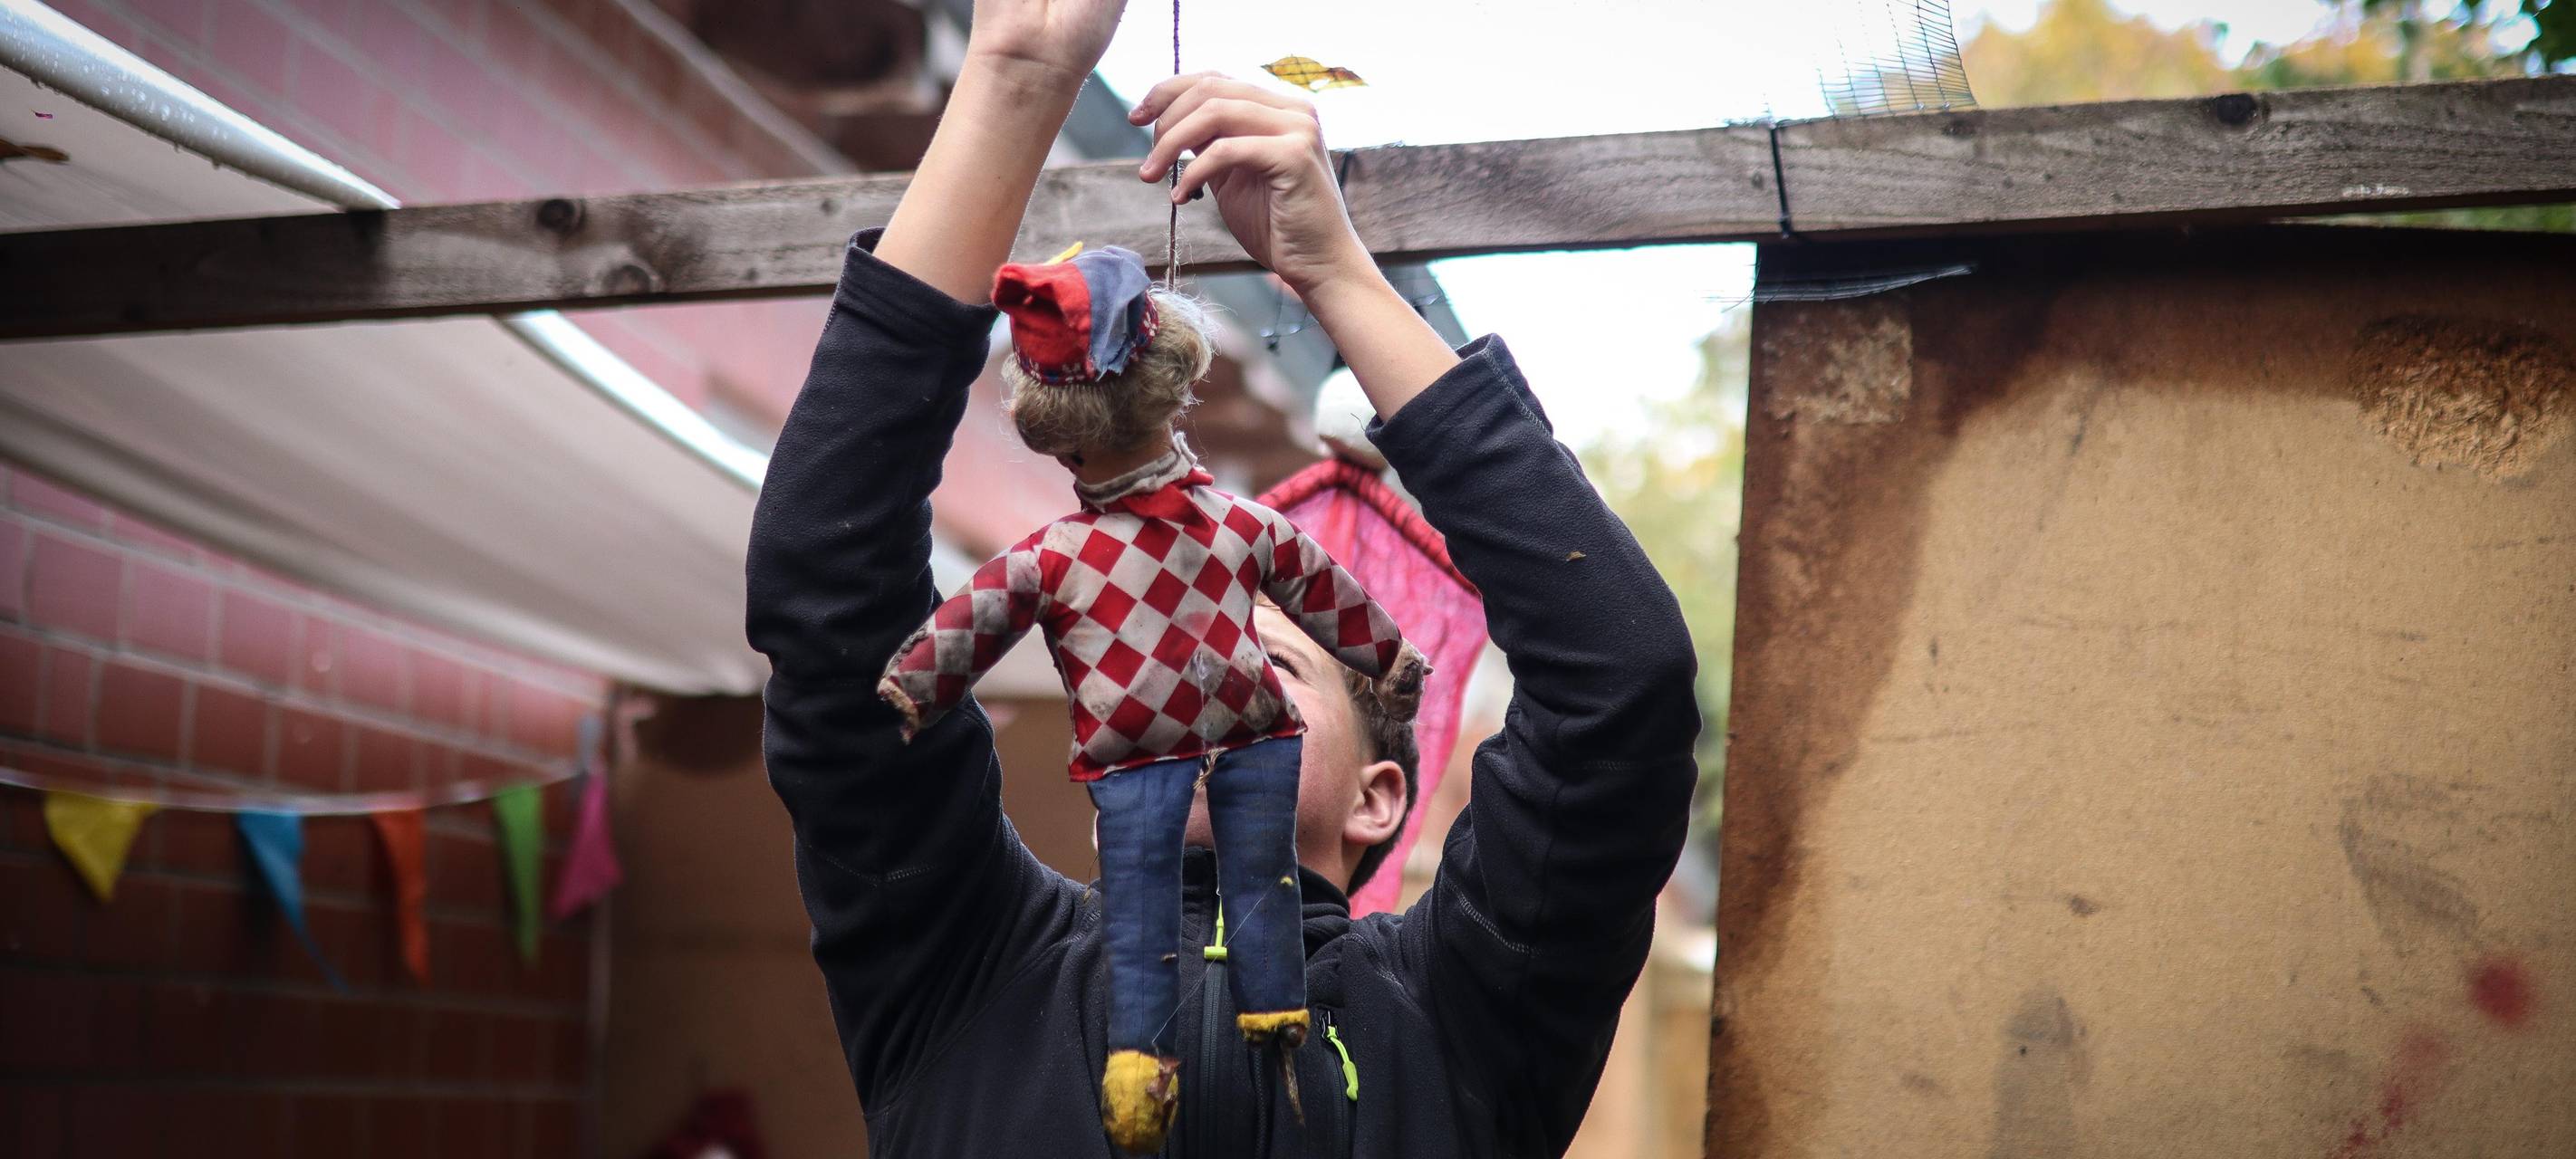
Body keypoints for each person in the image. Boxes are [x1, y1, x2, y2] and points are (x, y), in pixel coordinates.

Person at [744, 0, 1702, 1153]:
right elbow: (825, 590)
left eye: (1267, 653)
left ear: (1378, 800)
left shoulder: (1468, 1015)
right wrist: (1014, 73)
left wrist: (1335, 273)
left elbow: (1622, 684)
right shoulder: (963, 964)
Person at [873, 237, 1431, 1150]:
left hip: (1234, 744)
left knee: (1255, 872)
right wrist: (912, 684)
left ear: (1378, 795)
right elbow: (974, 614)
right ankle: (1149, 1055)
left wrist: (1391, 661)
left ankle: (1274, 1003)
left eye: (1278, 653)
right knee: (1141, 907)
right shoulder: (1077, 552)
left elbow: (1329, 597)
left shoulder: (1226, 530)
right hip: (1141, 759)